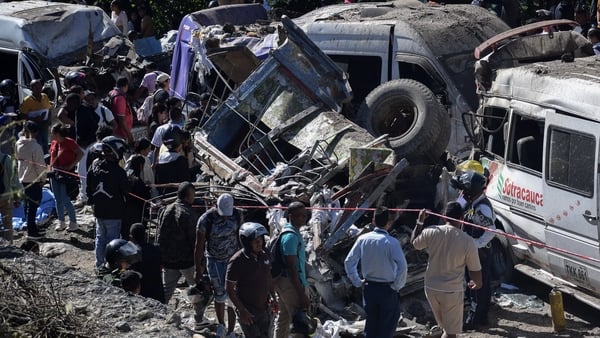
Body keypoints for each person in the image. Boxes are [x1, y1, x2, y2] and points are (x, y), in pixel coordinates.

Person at [411, 203, 483, 338]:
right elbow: (475, 270)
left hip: (431, 288)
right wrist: (478, 283)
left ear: (443, 217)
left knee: (445, 328)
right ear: (462, 218)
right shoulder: (467, 241)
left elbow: (414, 242)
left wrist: (420, 221)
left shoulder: (431, 231)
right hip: (451, 291)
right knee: (451, 333)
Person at [344, 206, 408, 338]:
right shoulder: (392, 243)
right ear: (389, 223)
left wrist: (357, 282)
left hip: (369, 289)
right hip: (387, 290)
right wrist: (396, 286)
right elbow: (403, 267)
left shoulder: (363, 239)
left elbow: (349, 262)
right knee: (387, 328)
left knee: (371, 325)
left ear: (373, 221)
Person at [452, 171, 496, 329]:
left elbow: (491, 230)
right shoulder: (472, 201)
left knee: (476, 286)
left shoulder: (482, 207)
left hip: (479, 253)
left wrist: (475, 244)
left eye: (464, 189)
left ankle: (474, 319)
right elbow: (458, 207)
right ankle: (482, 316)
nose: (462, 192)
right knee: (481, 285)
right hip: (474, 251)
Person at [195, 193, 243, 338]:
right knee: (219, 294)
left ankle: (231, 330)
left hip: (233, 261)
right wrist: (198, 268)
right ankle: (221, 324)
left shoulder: (238, 215)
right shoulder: (205, 220)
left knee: (233, 296)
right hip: (215, 261)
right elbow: (199, 245)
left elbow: (241, 238)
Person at [226, 222, 277, 338]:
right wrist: (241, 310)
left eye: (261, 240)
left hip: (264, 309)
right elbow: (229, 288)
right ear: (247, 243)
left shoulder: (265, 254)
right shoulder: (237, 261)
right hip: (248, 311)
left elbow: (269, 277)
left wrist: (273, 297)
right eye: (256, 241)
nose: (260, 244)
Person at [87, 136, 130, 270]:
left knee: (100, 238)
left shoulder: (94, 167)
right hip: (114, 213)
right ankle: (109, 266)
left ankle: (99, 265)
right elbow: (126, 191)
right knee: (111, 241)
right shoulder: (119, 172)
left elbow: (88, 188)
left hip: (98, 210)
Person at [273, 202, 310, 338]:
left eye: (305, 215)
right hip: (290, 283)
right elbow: (291, 267)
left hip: (284, 281)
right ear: (290, 216)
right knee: (300, 322)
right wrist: (301, 293)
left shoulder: (293, 233)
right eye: (299, 215)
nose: (303, 218)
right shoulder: (290, 237)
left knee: (283, 318)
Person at [157, 182, 199, 304]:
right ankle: (199, 318)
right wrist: (200, 262)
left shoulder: (166, 210)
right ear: (188, 196)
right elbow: (194, 240)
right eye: (193, 194)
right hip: (186, 261)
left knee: (166, 291)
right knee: (197, 289)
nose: (194, 197)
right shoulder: (188, 214)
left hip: (168, 260)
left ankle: (158, 313)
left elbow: (160, 236)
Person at [49, 123, 83, 232]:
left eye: (53, 133)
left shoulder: (70, 142)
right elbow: (51, 158)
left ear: (57, 133)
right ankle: (61, 221)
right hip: (54, 173)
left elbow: (80, 154)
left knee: (65, 199)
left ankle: (73, 222)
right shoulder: (54, 143)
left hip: (65, 175)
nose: (51, 135)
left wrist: (71, 165)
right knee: (57, 199)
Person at [15, 121, 46, 239]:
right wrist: (43, 179)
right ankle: (32, 232)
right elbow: (40, 166)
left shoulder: (18, 143)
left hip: (23, 178)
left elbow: (18, 157)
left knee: (28, 205)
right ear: (35, 132)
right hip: (34, 179)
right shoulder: (36, 147)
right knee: (33, 206)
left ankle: (31, 227)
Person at [129, 223, 165, 303]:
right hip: (158, 295)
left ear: (131, 237)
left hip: (141, 297)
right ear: (145, 235)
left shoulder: (131, 254)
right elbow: (161, 268)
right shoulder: (156, 250)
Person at [154, 125, 190, 195]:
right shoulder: (180, 160)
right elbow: (186, 184)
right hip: (177, 198)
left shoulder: (160, 158)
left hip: (163, 196)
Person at [20, 79, 51, 154]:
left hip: (44, 124)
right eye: (36, 87)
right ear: (31, 88)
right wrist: (34, 119)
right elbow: (23, 115)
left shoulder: (45, 96)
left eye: (40, 87)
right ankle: (39, 159)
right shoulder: (27, 100)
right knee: (38, 143)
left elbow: (49, 109)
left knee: (45, 141)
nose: (39, 89)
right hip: (34, 127)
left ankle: (46, 158)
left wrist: (49, 119)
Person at [123, 154, 151, 238]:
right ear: (140, 165)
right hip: (136, 214)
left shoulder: (125, 177)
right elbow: (145, 199)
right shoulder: (137, 181)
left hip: (124, 212)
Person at [0, 143, 22, 244]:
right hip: (6, 197)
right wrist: (18, 199)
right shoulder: (7, 159)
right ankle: (9, 245)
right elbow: (15, 182)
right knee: (8, 224)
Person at [109, 77, 134, 144]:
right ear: (126, 86)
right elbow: (121, 119)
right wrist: (129, 134)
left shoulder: (112, 92)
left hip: (120, 131)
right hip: (121, 132)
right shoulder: (120, 98)